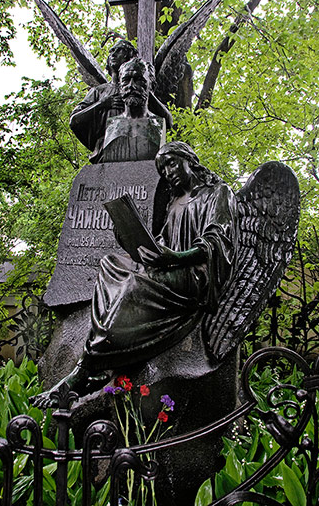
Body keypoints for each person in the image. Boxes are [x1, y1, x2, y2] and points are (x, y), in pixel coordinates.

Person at [32, 142, 238, 408]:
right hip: (169, 266)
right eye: (163, 169)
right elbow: (164, 240)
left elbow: (216, 242)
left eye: (172, 163)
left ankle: (85, 369)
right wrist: (131, 238)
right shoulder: (175, 200)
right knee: (110, 265)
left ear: (190, 160)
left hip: (195, 276)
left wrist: (175, 258)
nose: (169, 172)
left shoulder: (218, 193)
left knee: (132, 285)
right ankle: (103, 352)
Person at [69, 40, 173, 162]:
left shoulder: (140, 89)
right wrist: (102, 104)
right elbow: (75, 121)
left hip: (140, 142)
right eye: (112, 51)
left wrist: (145, 89)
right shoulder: (99, 91)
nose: (113, 54)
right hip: (108, 148)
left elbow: (167, 121)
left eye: (119, 50)